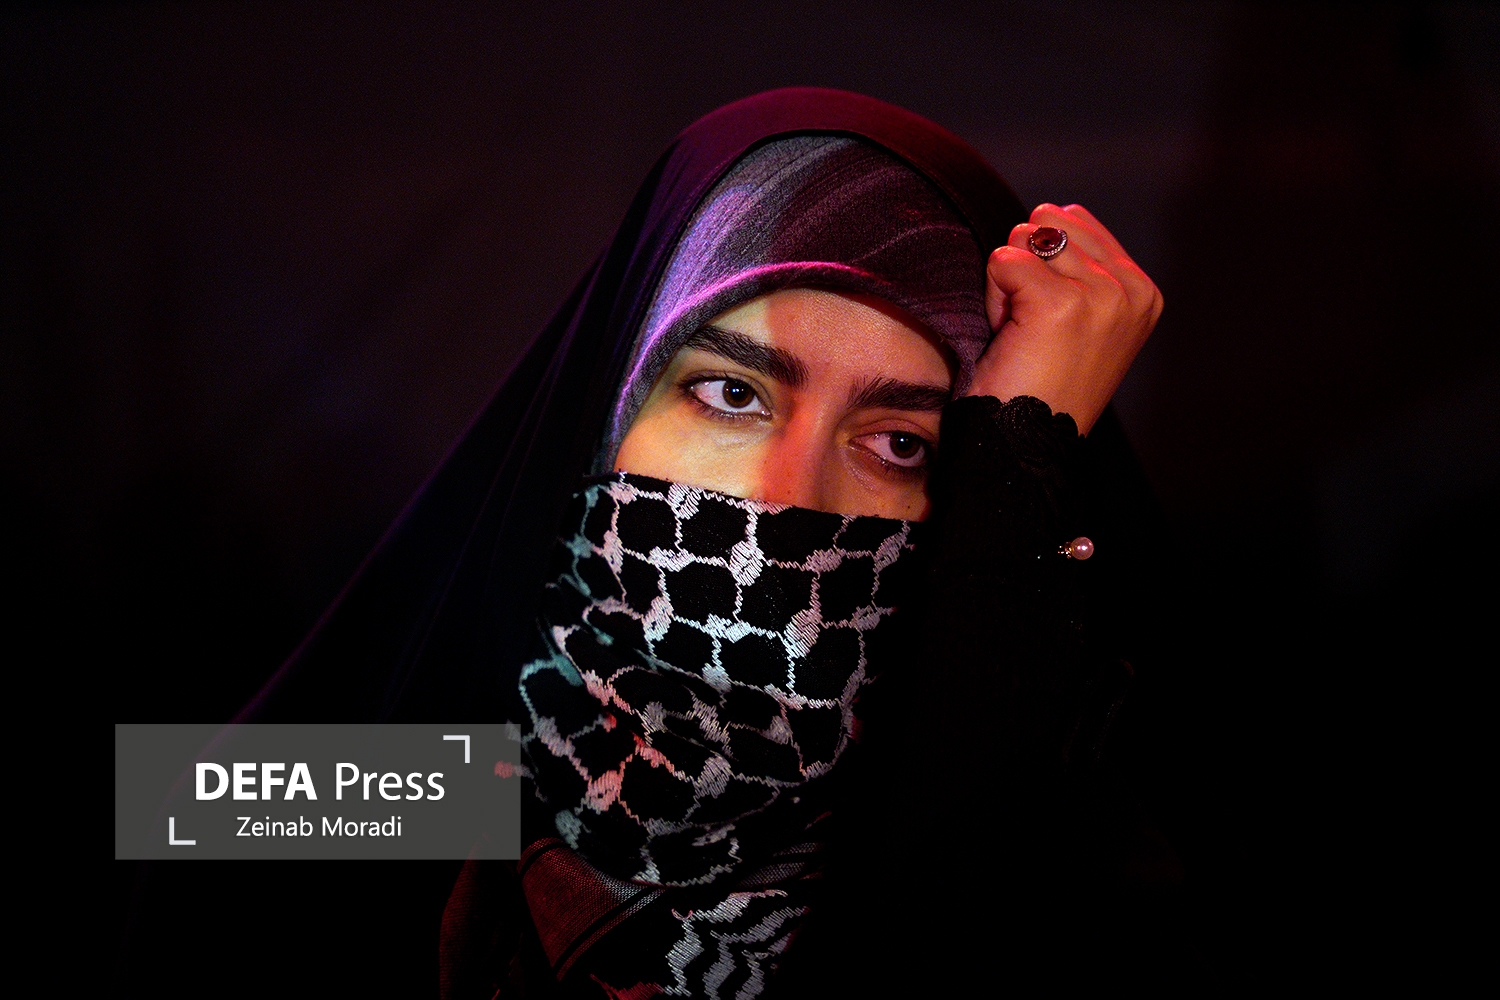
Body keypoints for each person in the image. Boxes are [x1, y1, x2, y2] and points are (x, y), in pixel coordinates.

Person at [245, 88, 1171, 996]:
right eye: (731, 394)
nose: (785, 500)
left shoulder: (1093, 898)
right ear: (610, 406)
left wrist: (1016, 471)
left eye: (898, 444)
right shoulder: (344, 798)